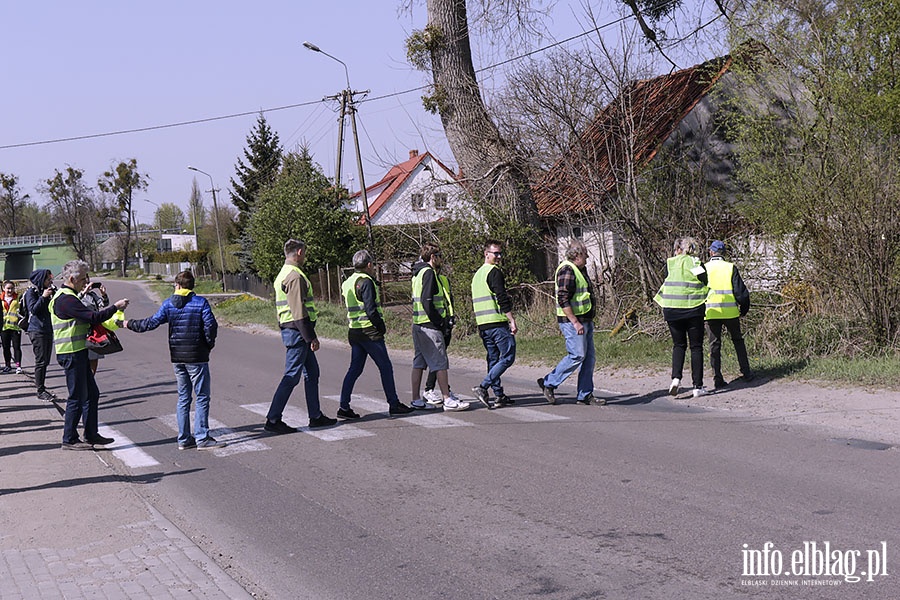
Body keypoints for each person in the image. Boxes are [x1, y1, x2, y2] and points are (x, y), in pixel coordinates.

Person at [122, 270, 225, 450]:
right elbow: (211, 326)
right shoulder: (200, 303)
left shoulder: (169, 304)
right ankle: (202, 438)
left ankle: (184, 439)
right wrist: (208, 345)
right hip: (197, 356)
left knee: (183, 397)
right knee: (201, 397)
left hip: (177, 356)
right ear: (192, 286)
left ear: (177, 285)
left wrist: (129, 323)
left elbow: (151, 322)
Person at [51, 260, 128, 450]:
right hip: (71, 352)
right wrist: (115, 307)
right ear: (72, 278)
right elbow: (92, 317)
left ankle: (91, 434)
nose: (86, 282)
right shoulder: (66, 299)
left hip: (78, 351)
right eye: (83, 278)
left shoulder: (70, 296)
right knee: (76, 396)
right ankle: (69, 439)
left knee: (92, 394)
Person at [264, 239, 337, 434]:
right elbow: (298, 311)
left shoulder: (283, 273)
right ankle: (273, 419)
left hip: (294, 331)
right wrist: (311, 337)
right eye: (304, 252)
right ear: (298, 252)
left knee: (312, 374)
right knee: (291, 376)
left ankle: (315, 416)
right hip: (298, 333)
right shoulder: (295, 276)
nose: (305, 255)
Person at [337, 250, 414, 419]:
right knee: (385, 367)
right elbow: (371, 309)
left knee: (354, 369)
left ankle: (344, 406)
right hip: (370, 332)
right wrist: (381, 326)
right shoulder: (366, 282)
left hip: (354, 330)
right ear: (369, 265)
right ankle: (393, 404)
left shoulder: (348, 282)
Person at [537, 240, 603, 405]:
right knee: (577, 355)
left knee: (588, 358)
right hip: (573, 321)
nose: (587, 258)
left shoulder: (579, 269)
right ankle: (548, 383)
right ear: (577, 255)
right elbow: (563, 298)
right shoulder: (567, 270)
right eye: (585, 255)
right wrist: (575, 322)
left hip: (584, 319)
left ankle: (585, 394)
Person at [410, 243, 469, 411]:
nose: (442, 259)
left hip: (418, 324)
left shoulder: (418, 272)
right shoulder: (428, 273)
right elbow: (427, 301)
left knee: (419, 362)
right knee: (440, 362)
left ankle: (415, 399)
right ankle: (447, 399)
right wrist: (440, 323)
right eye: (440, 256)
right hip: (429, 326)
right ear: (433, 257)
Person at [654, 237, 710, 398]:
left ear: (677, 249)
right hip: (693, 308)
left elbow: (667, 279)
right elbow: (704, 281)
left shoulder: (669, 263)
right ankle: (697, 386)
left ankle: (676, 379)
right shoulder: (695, 263)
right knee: (696, 347)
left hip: (671, 309)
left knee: (678, 345)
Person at [470, 240, 517, 409]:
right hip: (497, 323)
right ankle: (483, 387)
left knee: (493, 359)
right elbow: (501, 297)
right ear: (486, 253)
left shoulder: (477, 275)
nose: (498, 257)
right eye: (495, 253)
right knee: (508, 356)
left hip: (483, 325)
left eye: (499, 253)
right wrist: (511, 319)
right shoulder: (494, 272)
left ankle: (498, 394)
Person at [704, 240, 754, 388]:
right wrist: (744, 308)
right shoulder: (730, 267)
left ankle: (717, 378)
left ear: (711, 252)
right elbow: (740, 292)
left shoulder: (704, 268)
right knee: (738, 341)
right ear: (724, 253)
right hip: (730, 312)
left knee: (714, 345)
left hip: (711, 312)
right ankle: (746, 372)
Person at [22, 269, 56, 400]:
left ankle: (42, 387)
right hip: (37, 330)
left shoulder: (48, 291)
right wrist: (43, 297)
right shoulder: (32, 292)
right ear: (41, 280)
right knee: (41, 361)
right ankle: (40, 390)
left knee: (46, 361)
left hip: (48, 329)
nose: (50, 282)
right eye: (47, 279)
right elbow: (33, 310)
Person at [80, 281, 110, 375]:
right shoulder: (74, 295)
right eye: (84, 282)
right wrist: (83, 292)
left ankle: (91, 381)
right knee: (82, 359)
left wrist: (104, 294)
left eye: (88, 282)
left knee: (94, 357)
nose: (87, 285)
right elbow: (75, 302)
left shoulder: (92, 295)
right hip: (81, 330)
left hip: (94, 329)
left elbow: (103, 304)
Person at [1, 280, 25, 374]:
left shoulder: (18, 298)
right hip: (4, 327)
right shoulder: (0, 298)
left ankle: (18, 366)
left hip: (15, 327)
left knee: (16, 347)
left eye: (12, 288)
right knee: (6, 347)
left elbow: (23, 310)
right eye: (8, 288)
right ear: (4, 289)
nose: (10, 290)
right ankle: (8, 365)